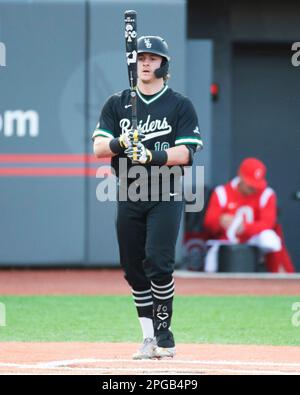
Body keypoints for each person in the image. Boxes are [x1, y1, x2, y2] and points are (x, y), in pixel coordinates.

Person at [92, 36, 203, 359]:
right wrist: (122, 143)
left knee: (158, 262)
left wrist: (150, 155)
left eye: (153, 58)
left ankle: (165, 335)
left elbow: (185, 152)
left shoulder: (179, 104)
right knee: (132, 266)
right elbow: (99, 147)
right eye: (141, 57)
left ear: (164, 65)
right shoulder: (118, 102)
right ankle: (148, 338)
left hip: (165, 190)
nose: (145, 63)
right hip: (129, 190)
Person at [203, 157, 294, 273]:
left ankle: (276, 276)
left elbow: (268, 223)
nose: (254, 189)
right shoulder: (222, 192)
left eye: (256, 185)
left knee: (270, 238)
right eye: (250, 185)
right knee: (210, 263)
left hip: (254, 239)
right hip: (227, 240)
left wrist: (245, 228)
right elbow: (209, 222)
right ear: (241, 176)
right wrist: (221, 221)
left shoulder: (267, 194)